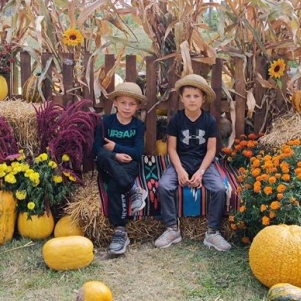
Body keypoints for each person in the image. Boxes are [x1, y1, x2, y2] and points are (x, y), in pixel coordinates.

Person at [155, 74, 232, 251]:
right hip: (181, 161)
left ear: (203, 99)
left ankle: (212, 232)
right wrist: (180, 171)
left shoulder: (209, 121)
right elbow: (172, 149)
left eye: (196, 96)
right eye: (188, 96)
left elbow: (211, 150)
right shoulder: (176, 120)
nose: (192, 100)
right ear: (181, 99)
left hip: (203, 162)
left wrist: (201, 172)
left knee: (219, 189)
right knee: (164, 185)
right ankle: (172, 229)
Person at [93, 82, 148, 255]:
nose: (127, 107)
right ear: (115, 102)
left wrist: (116, 147)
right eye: (123, 102)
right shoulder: (105, 122)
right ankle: (132, 188)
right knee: (103, 155)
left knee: (116, 186)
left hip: (129, 165)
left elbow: (138, 153)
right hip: (109, 163)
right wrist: (115, 156)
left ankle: (120, 231)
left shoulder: (138, 126)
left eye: (132, 104)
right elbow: (96, 149)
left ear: (137, 106)